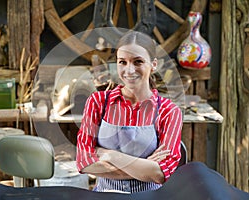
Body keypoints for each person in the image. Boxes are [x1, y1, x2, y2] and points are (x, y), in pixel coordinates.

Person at [76, 30, 183, 193]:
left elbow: (161, 173)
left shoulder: (169, 111)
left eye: (138, 62)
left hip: (150, 197)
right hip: (105, 195)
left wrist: (109, 155)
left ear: (154, 64)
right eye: (122, 62)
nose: (129, 70)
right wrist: (144, 167)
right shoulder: (98, 102)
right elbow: (84, 162)